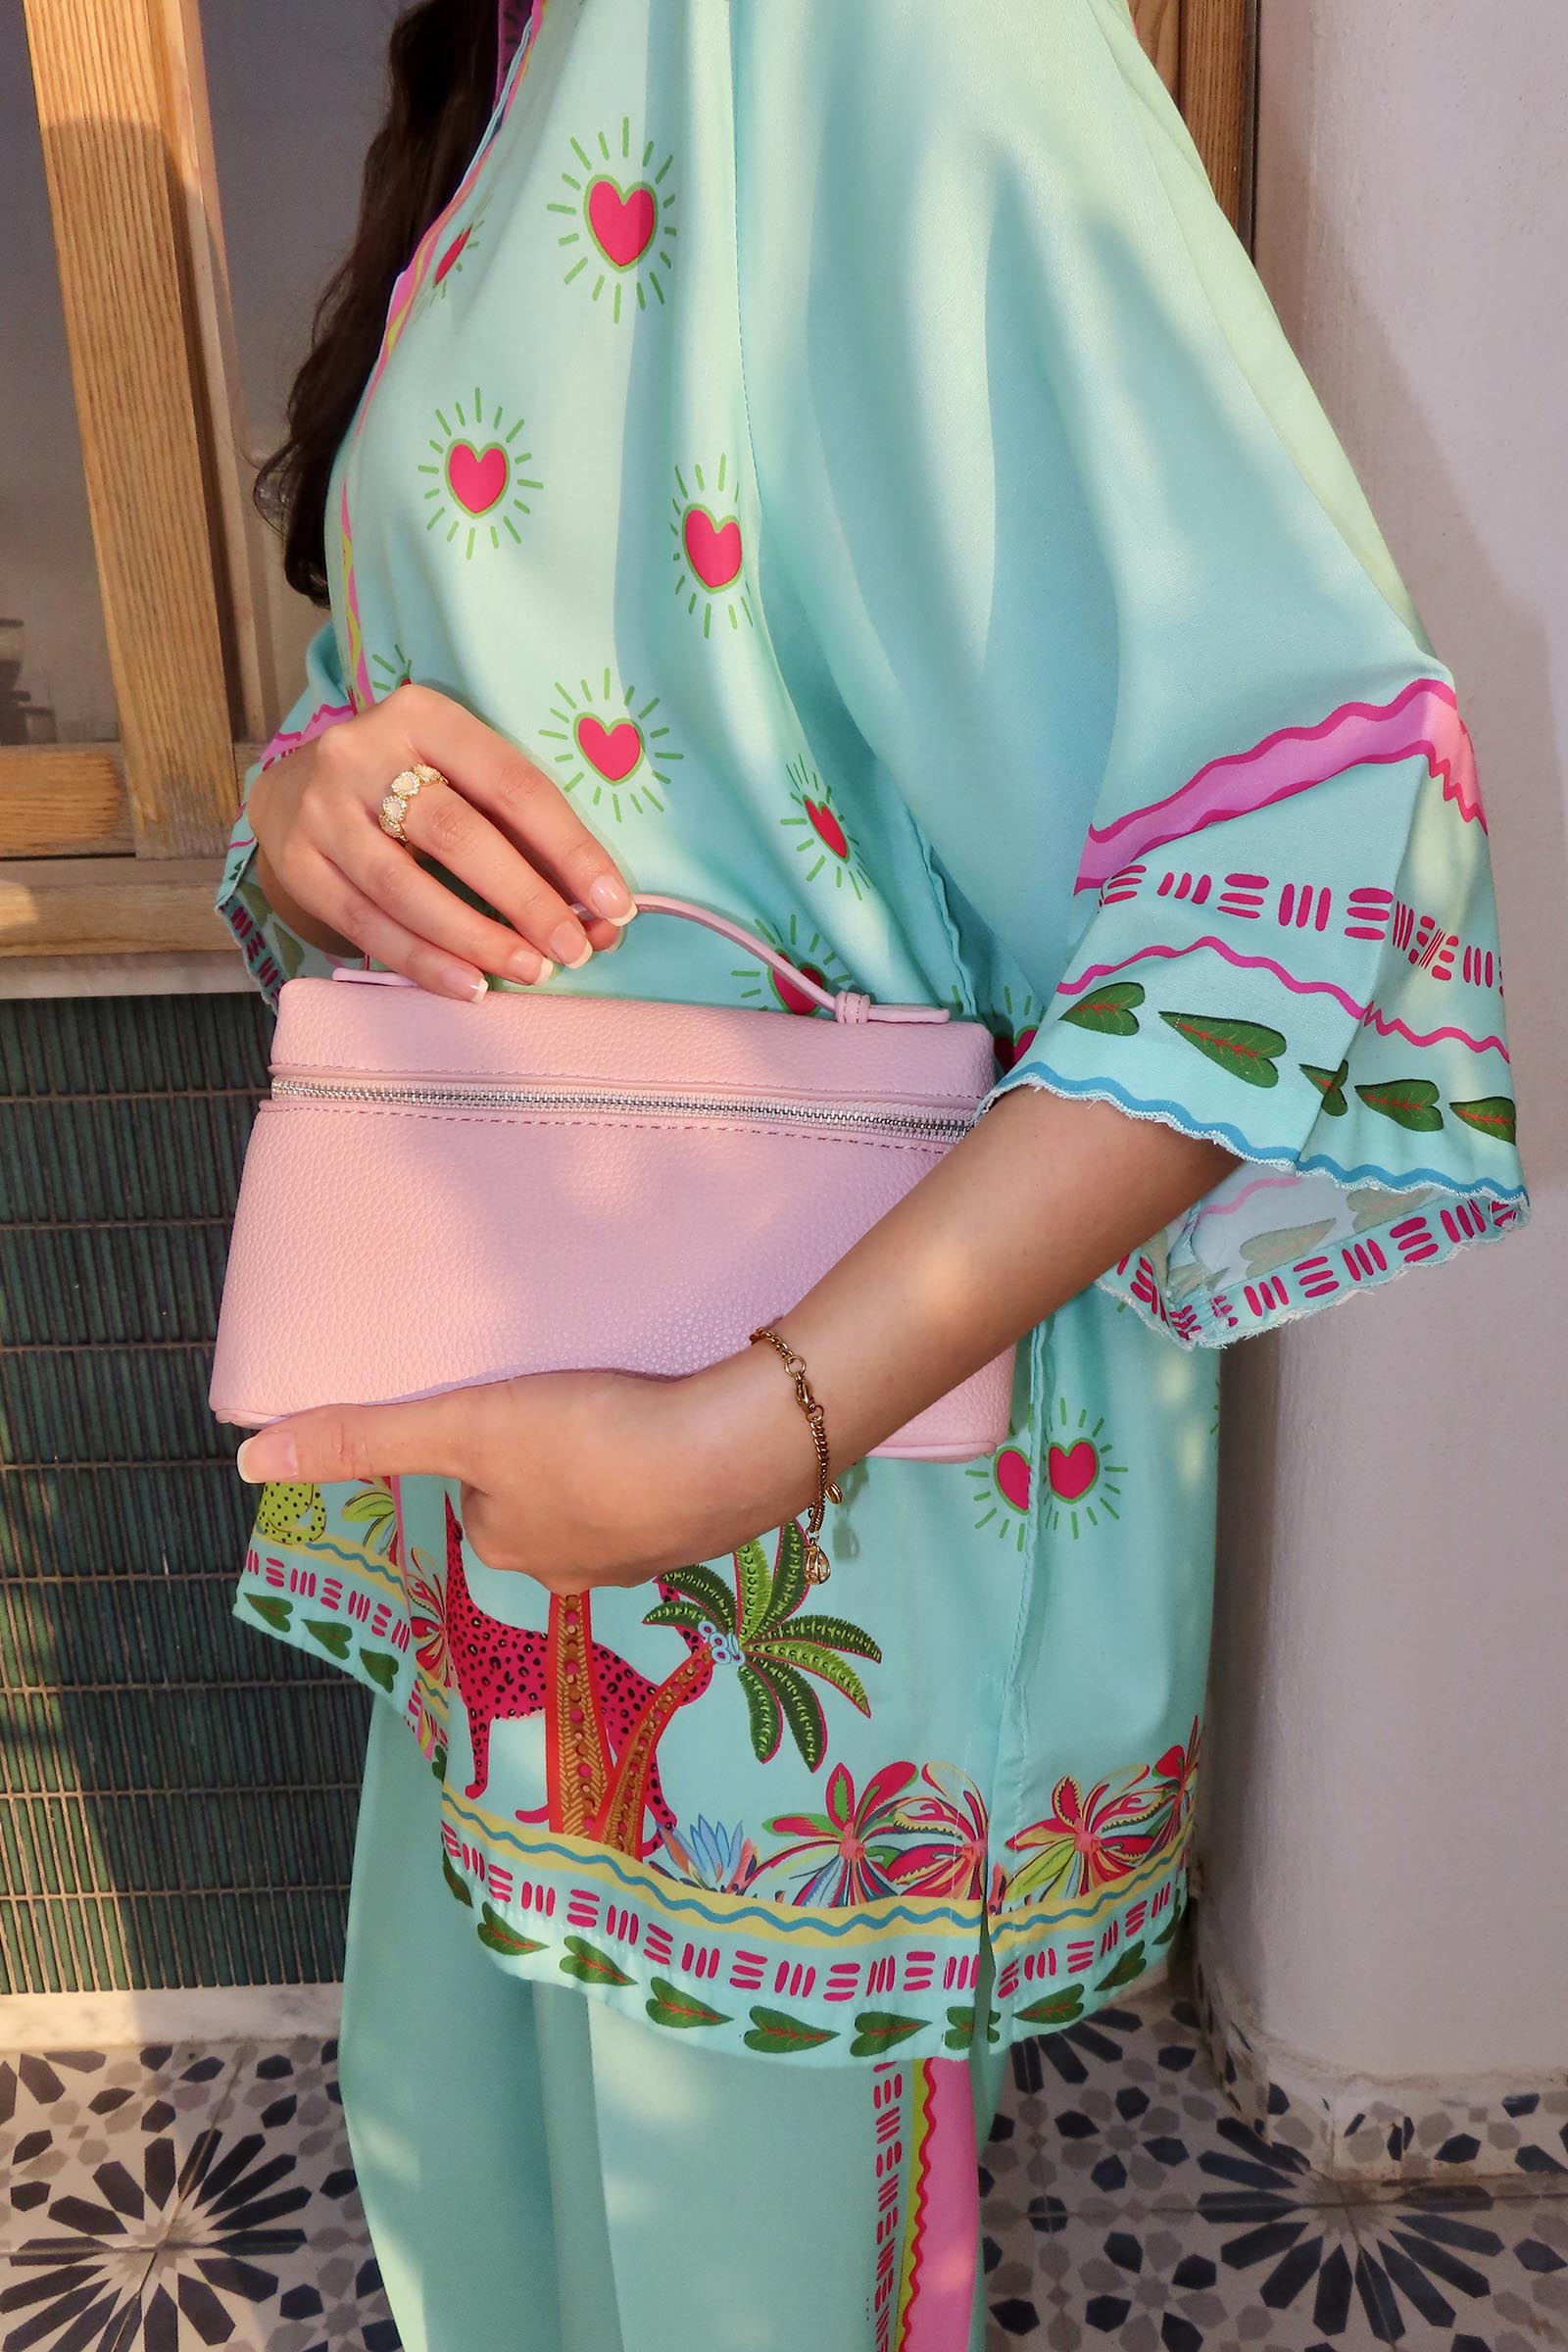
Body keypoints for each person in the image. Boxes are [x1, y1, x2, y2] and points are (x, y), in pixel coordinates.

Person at [215, 3, 1528, 2346]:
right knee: (479, 2191)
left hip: (787, 1520)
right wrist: (314, 788)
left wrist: (739, 1438)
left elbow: (1319, 817)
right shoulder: (515, 67)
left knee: (737, 2277)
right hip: (501, 1494)